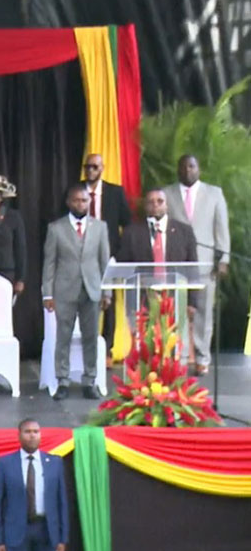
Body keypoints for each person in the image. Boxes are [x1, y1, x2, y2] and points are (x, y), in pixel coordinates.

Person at [41, 184, 111, 400]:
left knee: (91, 337)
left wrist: (106, 292)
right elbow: (49, 263)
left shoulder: (100, 227)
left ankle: (90, 380)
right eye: (76, 200)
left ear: (89, 202)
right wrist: (47, 293)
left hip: (91, 290)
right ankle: (62, 380)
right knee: (63, 337)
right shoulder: (56, 228)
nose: (81, 204)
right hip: (64, 290)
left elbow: (104, 261)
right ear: (68, 202)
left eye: (84, 200)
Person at [163, 154, 230, 376]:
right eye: (183, 167)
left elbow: (222, 230)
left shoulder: (214, 194)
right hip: (176, 263)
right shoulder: (167, 193)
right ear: (178, 170)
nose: (187, 171)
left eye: (191, 166)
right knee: (177, 311)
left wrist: (224, 260)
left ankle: (202, 358)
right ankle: (180, 357)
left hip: (204, 264)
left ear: (198, 168)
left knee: (203, 313)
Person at [116, 188, 200, 328]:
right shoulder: (131, 232)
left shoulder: (184, 231)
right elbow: (124, 267)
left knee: (171, 345)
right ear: (145, 206)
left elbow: (192, 269)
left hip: (174, 298)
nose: (155, 205)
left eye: (160, 201)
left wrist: (192, 302)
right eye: (151, 202)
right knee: (145, 345)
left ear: (166, 205)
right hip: (142, 299)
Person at [0, 419, 69, 551]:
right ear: (19, 435)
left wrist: (62, 537)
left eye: (36, 432)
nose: (32, 435)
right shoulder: (5, 463)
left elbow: (61, 502)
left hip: (46, 530)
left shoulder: (54, 463)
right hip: (16, 531)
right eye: (27, 432)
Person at [83, 154, 131, 351]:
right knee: (84, 299)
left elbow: (126, 223)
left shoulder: (115, 192)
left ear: (102, 168)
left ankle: (108, 348)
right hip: (82, 254)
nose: (91, 171)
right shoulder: (76, 191)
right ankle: (86, 346)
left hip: (107, 254)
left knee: (108, 301)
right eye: (87, 167)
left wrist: (118, 253)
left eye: (95, 167)